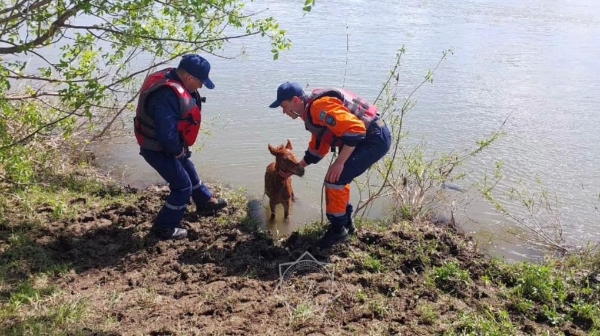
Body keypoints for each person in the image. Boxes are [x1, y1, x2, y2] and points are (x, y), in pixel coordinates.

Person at [269, 82, 392, 248]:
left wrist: (340, 162)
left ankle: (338, 230)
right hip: (366, 137)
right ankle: (346, 224)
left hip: (373, 139)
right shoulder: (312, 110)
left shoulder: (317, 107)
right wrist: (298, 167)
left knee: (335, 179)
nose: (284, 112)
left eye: (284, 106)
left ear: (296, 100)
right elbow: (318, 149)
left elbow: (355, 131)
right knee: (338, 180)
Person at [134, 54, 228, 240]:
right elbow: (166, 135)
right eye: (200, 82)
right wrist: (177, 151)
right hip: (156, 147)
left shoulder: (175, 80)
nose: (200, 87)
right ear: (189, 78)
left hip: (169, 143)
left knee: (188, 169)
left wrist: (179, 151)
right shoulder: (167, 95)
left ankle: (204, 201)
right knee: (182, 186)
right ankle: (163, 228)